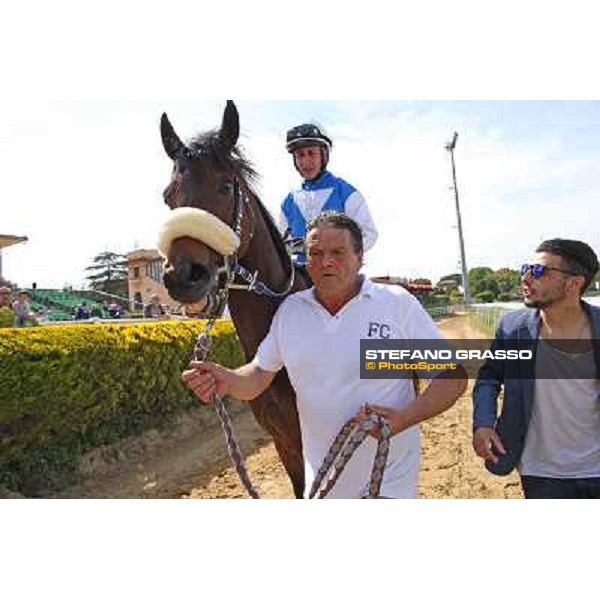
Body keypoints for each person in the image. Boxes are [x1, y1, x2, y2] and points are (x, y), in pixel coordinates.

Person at [183, 212, 466, 498]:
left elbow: (451, 378)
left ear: (360, 257)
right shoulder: (291, 312)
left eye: (337, 252)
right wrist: (227, 379)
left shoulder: (396, 305)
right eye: (315, 253)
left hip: (388, 483)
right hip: (322, 486)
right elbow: (258, 374)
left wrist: (402, 419)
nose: (326, 261)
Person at [472, 239, 600, 499]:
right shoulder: (512, 328)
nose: (526, 278)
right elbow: (488, 378)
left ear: (574, 283)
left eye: (539, 271)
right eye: (526, 269)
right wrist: (483, 423)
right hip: (542, 473)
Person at [278, 122, 378, 266]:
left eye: (311, 153)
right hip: (299, 277)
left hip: (336, 275)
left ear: (323, 155)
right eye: (300, 155)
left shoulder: (346, 193)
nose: (306, 161)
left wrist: (337, 252)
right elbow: (279, 243)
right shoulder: (289, 200)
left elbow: (369, 234)